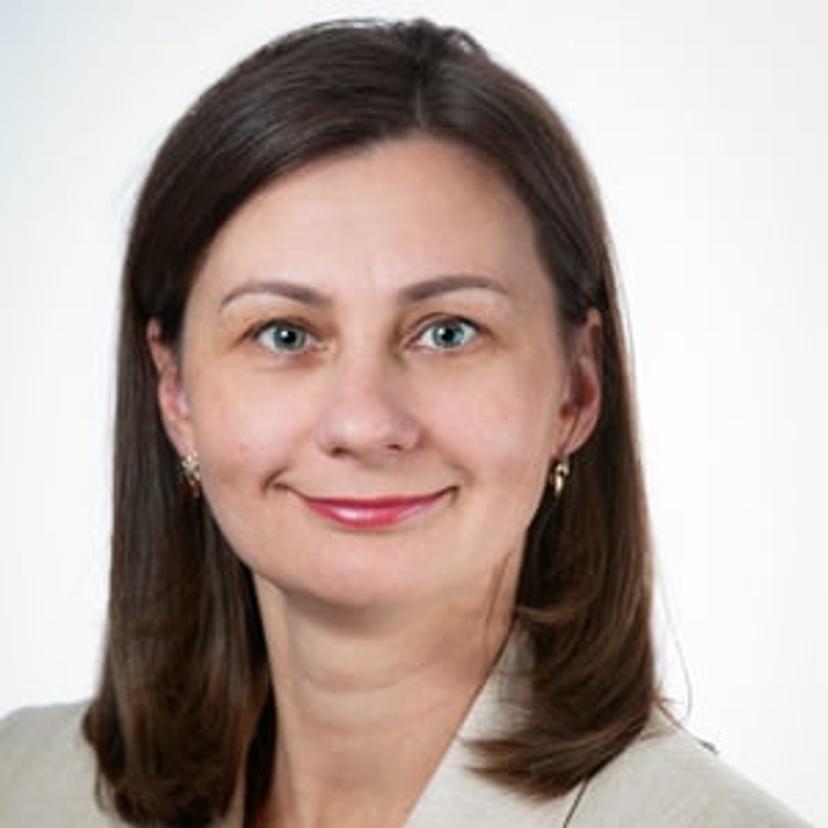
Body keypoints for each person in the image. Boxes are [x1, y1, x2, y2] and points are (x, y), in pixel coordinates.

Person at [0, 17, 809, 828]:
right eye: (284, 335)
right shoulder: (21, 787)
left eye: (448, 332)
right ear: (175, 391)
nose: (364, 423)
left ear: (574, 388)